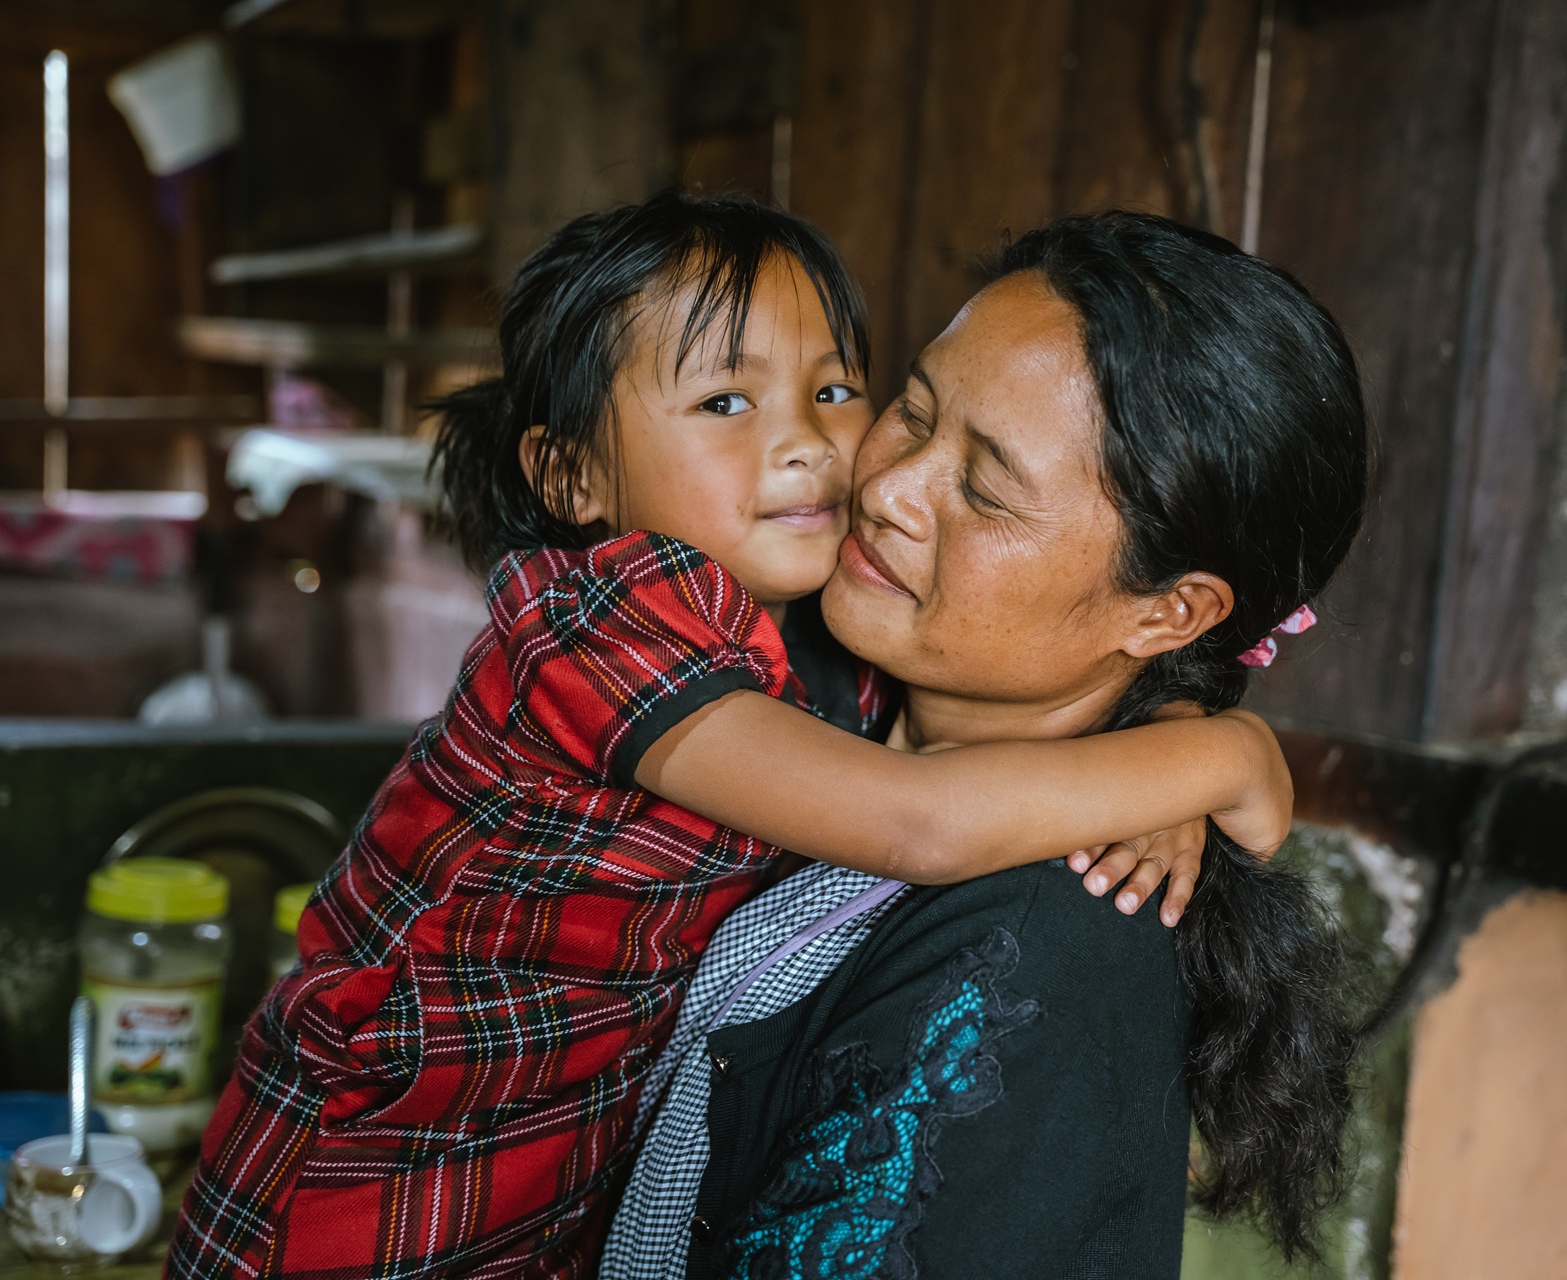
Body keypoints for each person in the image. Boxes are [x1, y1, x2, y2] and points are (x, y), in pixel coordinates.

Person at [166, 193, 1298, 1280]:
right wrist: (1222, 756)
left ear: (1172, 615)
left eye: (836, 391)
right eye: (911, 411)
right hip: (364, 1180)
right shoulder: (607, 622)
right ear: (572, 473)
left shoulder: (1046, 923)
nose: (849, 466)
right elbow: (918, 821)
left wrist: (1180, 724)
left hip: (511, 1190)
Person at [604, 211, 1369, 1278]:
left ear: (1166, 613)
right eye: (913, 412)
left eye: (984, 490)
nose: (885, 490)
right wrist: (1202, 742)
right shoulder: (788, 666)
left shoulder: (1040, 952)